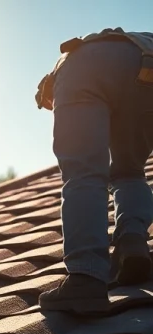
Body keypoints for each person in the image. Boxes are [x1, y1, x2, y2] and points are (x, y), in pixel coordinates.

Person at [35, 28, 153, 314]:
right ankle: (132, 243)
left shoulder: (68, 67)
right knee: (130, 169)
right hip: (149, 63)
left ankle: (86, 277)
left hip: (88, 67)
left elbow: (85, 164)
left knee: (84, 170)